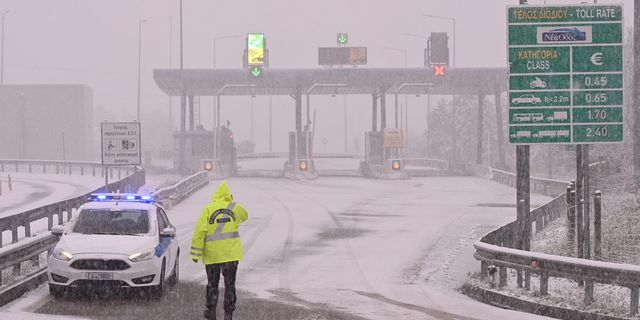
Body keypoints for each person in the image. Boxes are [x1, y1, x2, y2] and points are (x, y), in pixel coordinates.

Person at [191, 181, 249, 320]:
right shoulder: (234, 207)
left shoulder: (208, 209)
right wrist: (231, 203)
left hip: (212, 256)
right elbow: (245, 216)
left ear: (215, 196)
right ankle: (228, 313)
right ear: (228, 196)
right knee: (230, 284)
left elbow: (200, 231)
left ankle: (211, 311)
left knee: (212, 283)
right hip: (230, 255)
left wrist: (195, 253)